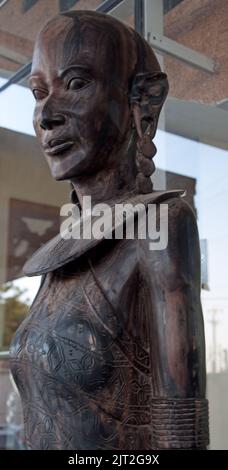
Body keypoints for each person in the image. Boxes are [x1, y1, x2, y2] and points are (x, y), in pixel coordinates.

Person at [10, 11, 209, 450]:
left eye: (77, 83)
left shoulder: (161, 225)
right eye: (39, 93)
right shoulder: (60, 255)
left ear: (143, 102)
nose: (46, 116)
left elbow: (182, 428)